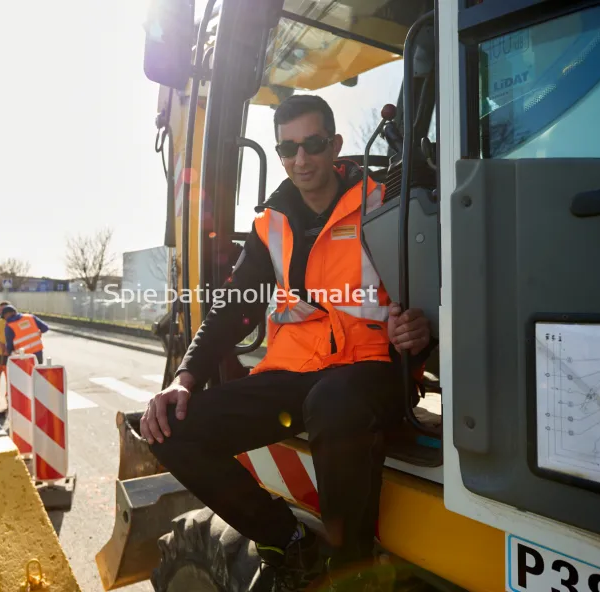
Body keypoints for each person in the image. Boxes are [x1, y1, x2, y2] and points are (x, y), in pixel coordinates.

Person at [141, 95, 434, 591]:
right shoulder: (269, 226)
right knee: (168, 428)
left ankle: (351, 568)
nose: (301, 159)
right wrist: (184, 380)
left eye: (313, 144)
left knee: (333, 401)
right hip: (293, 378)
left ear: (335, 145)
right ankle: (285, 540)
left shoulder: (384, 203)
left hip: (372, 373)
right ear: (278, 152)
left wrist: (420, 332)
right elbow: (231, 308)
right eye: (288, 148)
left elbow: (429, 297)